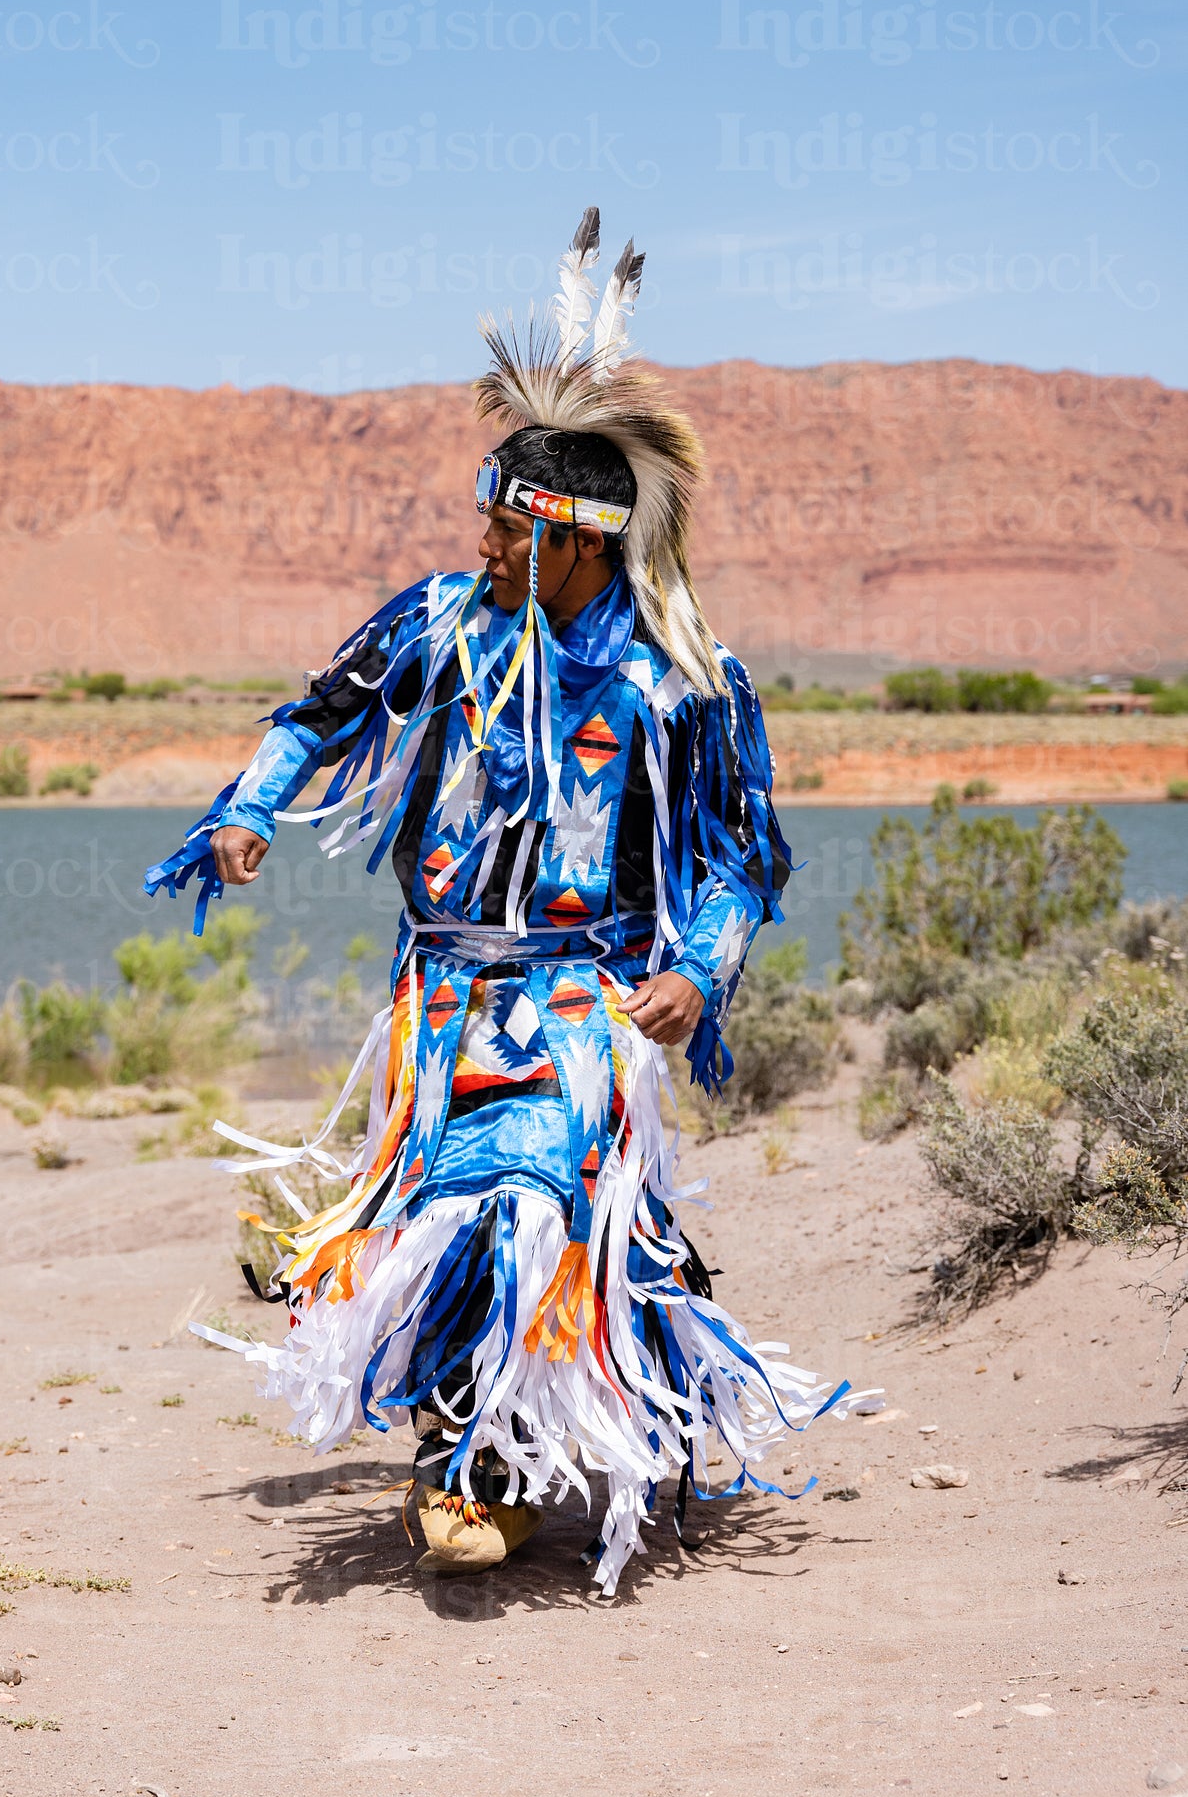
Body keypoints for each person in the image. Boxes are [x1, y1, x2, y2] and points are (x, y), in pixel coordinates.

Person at [145, 210, 869, 1595]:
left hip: (584, 1000)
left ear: (577, 541)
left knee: (538, 1204)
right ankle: (467, 1456)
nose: (478, 536)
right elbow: (313, 715)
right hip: (443, 997)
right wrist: (244, 809)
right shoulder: (441, 626)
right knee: (449, 1222)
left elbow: (742, 855)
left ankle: (518, 1452)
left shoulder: (682, 679)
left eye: (503, 520)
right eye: (481, 512)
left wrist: (700, 971)